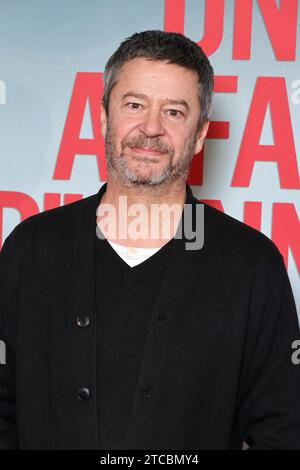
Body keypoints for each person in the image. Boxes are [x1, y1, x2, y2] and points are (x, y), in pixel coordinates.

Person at [0, 30, 299, 450]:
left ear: (199, 135)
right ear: (104, 118)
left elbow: (283, 428)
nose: (151, 128)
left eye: (175, 112)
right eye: (135, 105)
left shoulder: (252, 265)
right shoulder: (30, 249)